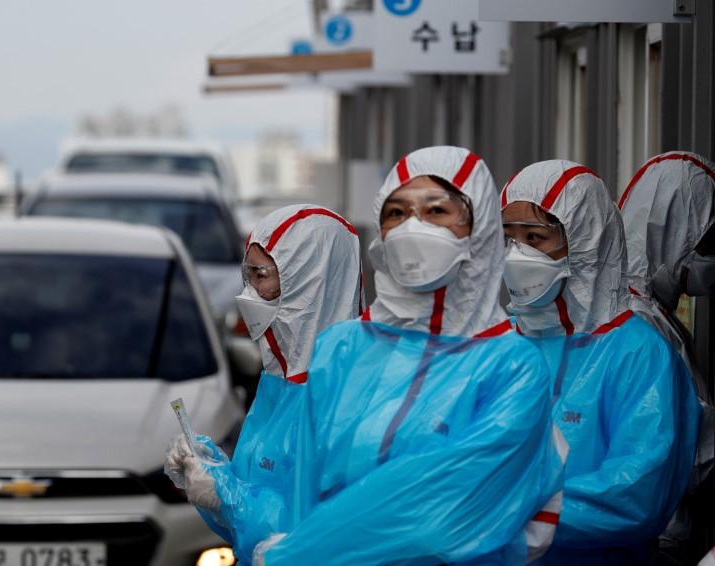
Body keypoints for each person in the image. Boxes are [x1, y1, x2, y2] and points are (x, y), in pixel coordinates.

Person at [253, 146, 566, 565]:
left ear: (480, 227)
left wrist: (296, 554)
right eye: (396, 213)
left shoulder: (511, 366)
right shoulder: (342, 349)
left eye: (436, 211)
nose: (411, 228)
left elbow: (440, 518)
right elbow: (304, 491)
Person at [499, 159, 700, 564]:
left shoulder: (637, 353)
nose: (517, 255)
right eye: (509, 239)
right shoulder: (502, 344)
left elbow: (636, 496)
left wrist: (513, 514)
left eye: (535, 238)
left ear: (585, 242)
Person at [165, 204, 363, 564]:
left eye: (261, 276)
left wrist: (227, 494)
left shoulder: (349, 392)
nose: (248, 294)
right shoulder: (278, 383)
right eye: (247, 277)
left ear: (309, 277)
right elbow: (246, 530)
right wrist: (213, 474)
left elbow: (316, 533)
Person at [618, 151, 715, 564]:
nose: (709, 259)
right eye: (706, 243)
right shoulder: (641, 324)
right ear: (672, 231)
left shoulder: (644, 311)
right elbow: (690, 450)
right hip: (654, 542)